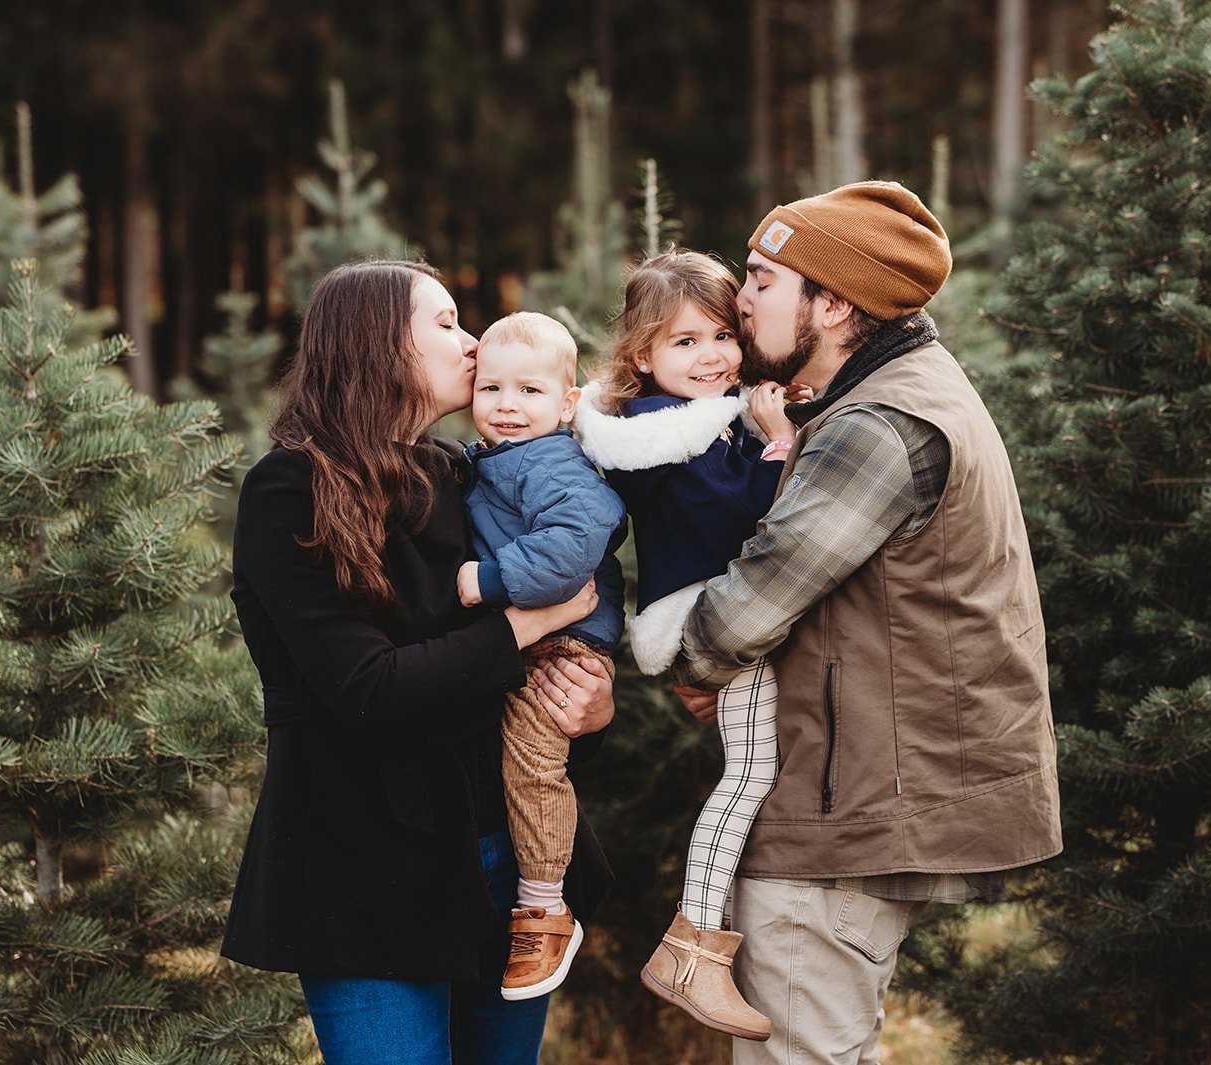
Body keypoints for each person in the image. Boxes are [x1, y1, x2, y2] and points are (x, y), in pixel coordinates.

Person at [668, 182, 1063, 1065]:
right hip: (862, 797)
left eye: (765, 278)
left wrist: (688, 658)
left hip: (840, 814)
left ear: (833, 301)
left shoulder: (878, 423)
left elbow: (741, 615)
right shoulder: (897, 391)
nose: (742, 297)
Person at [220, 261, 617, 1065]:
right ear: (378, 348)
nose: (473, 345)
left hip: (499, 863)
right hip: (365, 873)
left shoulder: (462, 476)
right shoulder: (289, 490)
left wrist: (589, 707)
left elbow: (527, 677)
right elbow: (369, 689)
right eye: (445, 325)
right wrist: (526, 621)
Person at [571, 251, 798, 1042]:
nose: (712, 356)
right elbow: (739, 521)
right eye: (685, 342)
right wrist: (779, 445)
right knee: (752, 768)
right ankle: (692, 944)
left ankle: (708, 932)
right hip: (699, 607)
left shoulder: (690, 417)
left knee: (755, 761)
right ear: (643, 356)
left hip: (708, 602)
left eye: (722, 336)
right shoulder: (669, 434)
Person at [455, 310, 627, 1001]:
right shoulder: (493, 460)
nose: (507, 405)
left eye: (529, 391)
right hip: (533, 633)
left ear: (569, 402)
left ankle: (544, 906)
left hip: (564, 641)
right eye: (492, 388)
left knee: (531, 764)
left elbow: (577, 539)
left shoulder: (550, 461)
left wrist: (487, 580)